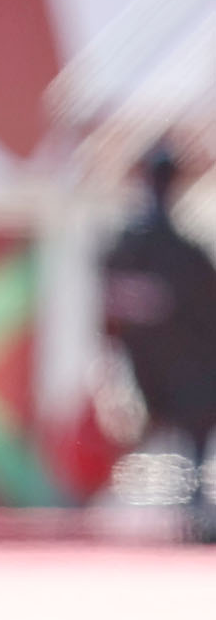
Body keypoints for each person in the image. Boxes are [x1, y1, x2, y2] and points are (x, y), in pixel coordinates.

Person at [102, 138, 216, 541]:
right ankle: (181, 509)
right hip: (159, 366)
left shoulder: (178, 248)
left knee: (188, 434)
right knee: (177, 434)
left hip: (179, 365)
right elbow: (113, 300)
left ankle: (188, 509)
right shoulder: (146, 243)